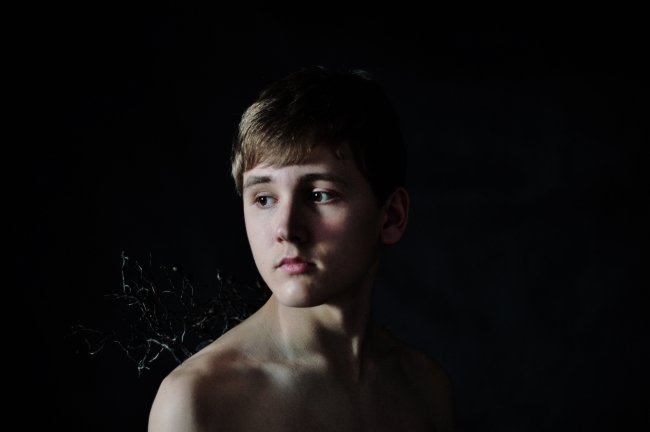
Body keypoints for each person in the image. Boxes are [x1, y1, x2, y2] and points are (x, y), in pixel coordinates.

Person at [148, 66, 455, 431]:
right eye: (264, 198)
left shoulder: (426, 390)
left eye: (319, 195)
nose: (286, 230)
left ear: (391, 217)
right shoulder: (198, 401)